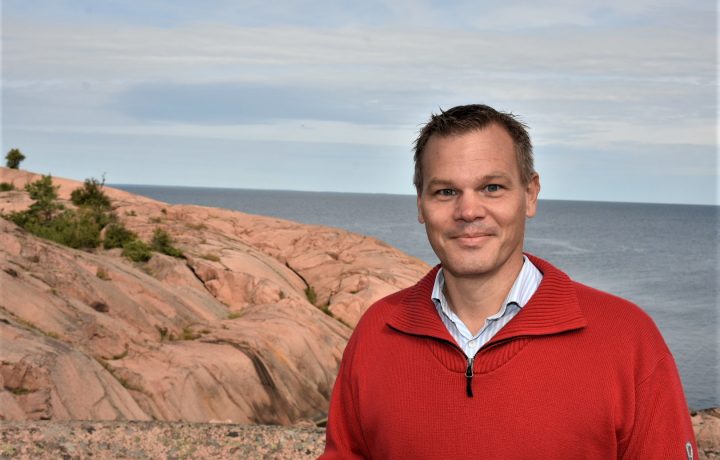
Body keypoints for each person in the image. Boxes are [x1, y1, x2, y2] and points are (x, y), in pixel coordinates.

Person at [320, 104, 697, 459]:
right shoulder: (377, 333)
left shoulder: (627, 338)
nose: (468, 211)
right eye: (446, 191)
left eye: (492, 188)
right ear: (421, 204)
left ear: (530, 195)